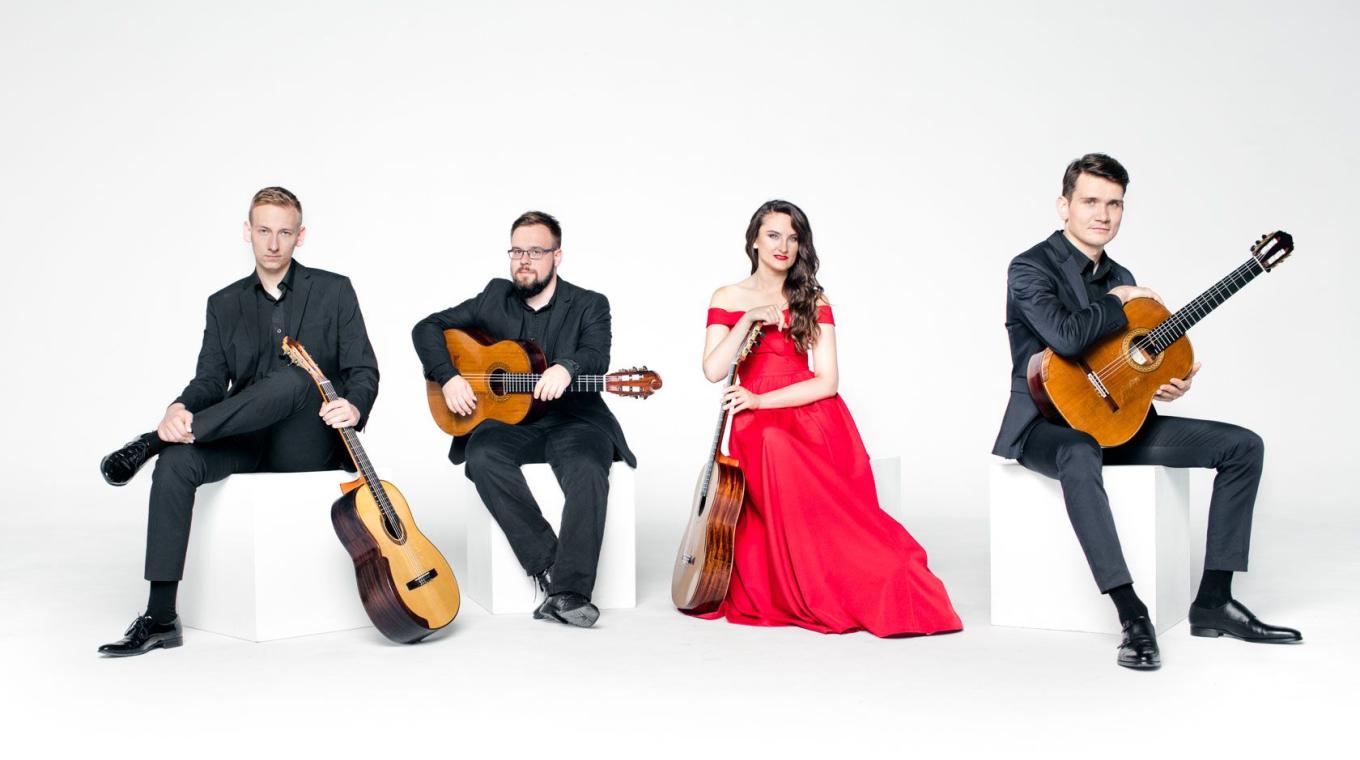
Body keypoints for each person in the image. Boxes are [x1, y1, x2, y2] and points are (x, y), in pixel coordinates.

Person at [993, 153, 1302, 670]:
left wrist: (1156, 382)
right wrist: (1119, 298)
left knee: (1242, 446)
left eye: (1115, 204)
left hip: (1116, 421)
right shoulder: (1029, 268)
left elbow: (1119, 364)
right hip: (1045, 427)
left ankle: (1214, 602)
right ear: (1063, 205)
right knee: (1079, 450)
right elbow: (1066, 341)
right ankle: (1131, 613)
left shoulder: (1121, 274)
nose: (1104, 214)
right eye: (1091, 201)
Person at [97, 186, 380, 656]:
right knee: (176, 465)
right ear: (247, 231)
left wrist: (354, 404)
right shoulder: (223, 303)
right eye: (263, 230)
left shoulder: (334, 290)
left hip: (306, 441)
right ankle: (161, 615)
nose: (272, 243)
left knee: (298, 376)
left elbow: (363, 369)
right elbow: (209, 380)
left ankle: (150, 442)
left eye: (284, 233)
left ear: (300, 236)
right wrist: (178, 408)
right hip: (243, 439)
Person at [694, 199, 962, 637]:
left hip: (812, 416)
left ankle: (880, 578)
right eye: (774, 235)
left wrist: (763, 402)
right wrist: (747, 322)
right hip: (753, 420)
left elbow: (827, 382)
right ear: (755, 240)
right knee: (769, 445)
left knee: (801, 475)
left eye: (794, 238)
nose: (784, 246)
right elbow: (712, 370)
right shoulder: (728, 297)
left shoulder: (812, 298)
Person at [411, 211, 633, 628]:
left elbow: (596, 354)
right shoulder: (493, 297)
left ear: (557, 256)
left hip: (575, 420)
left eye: (535, 251)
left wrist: (567, 367)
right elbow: (427, 327)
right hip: (513, 422)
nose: (524, 260)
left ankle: (569, 594)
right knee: (481, 454)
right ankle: (550, 565)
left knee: (588, 468)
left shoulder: (589, 304)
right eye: (517, 251)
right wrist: (450, 376)